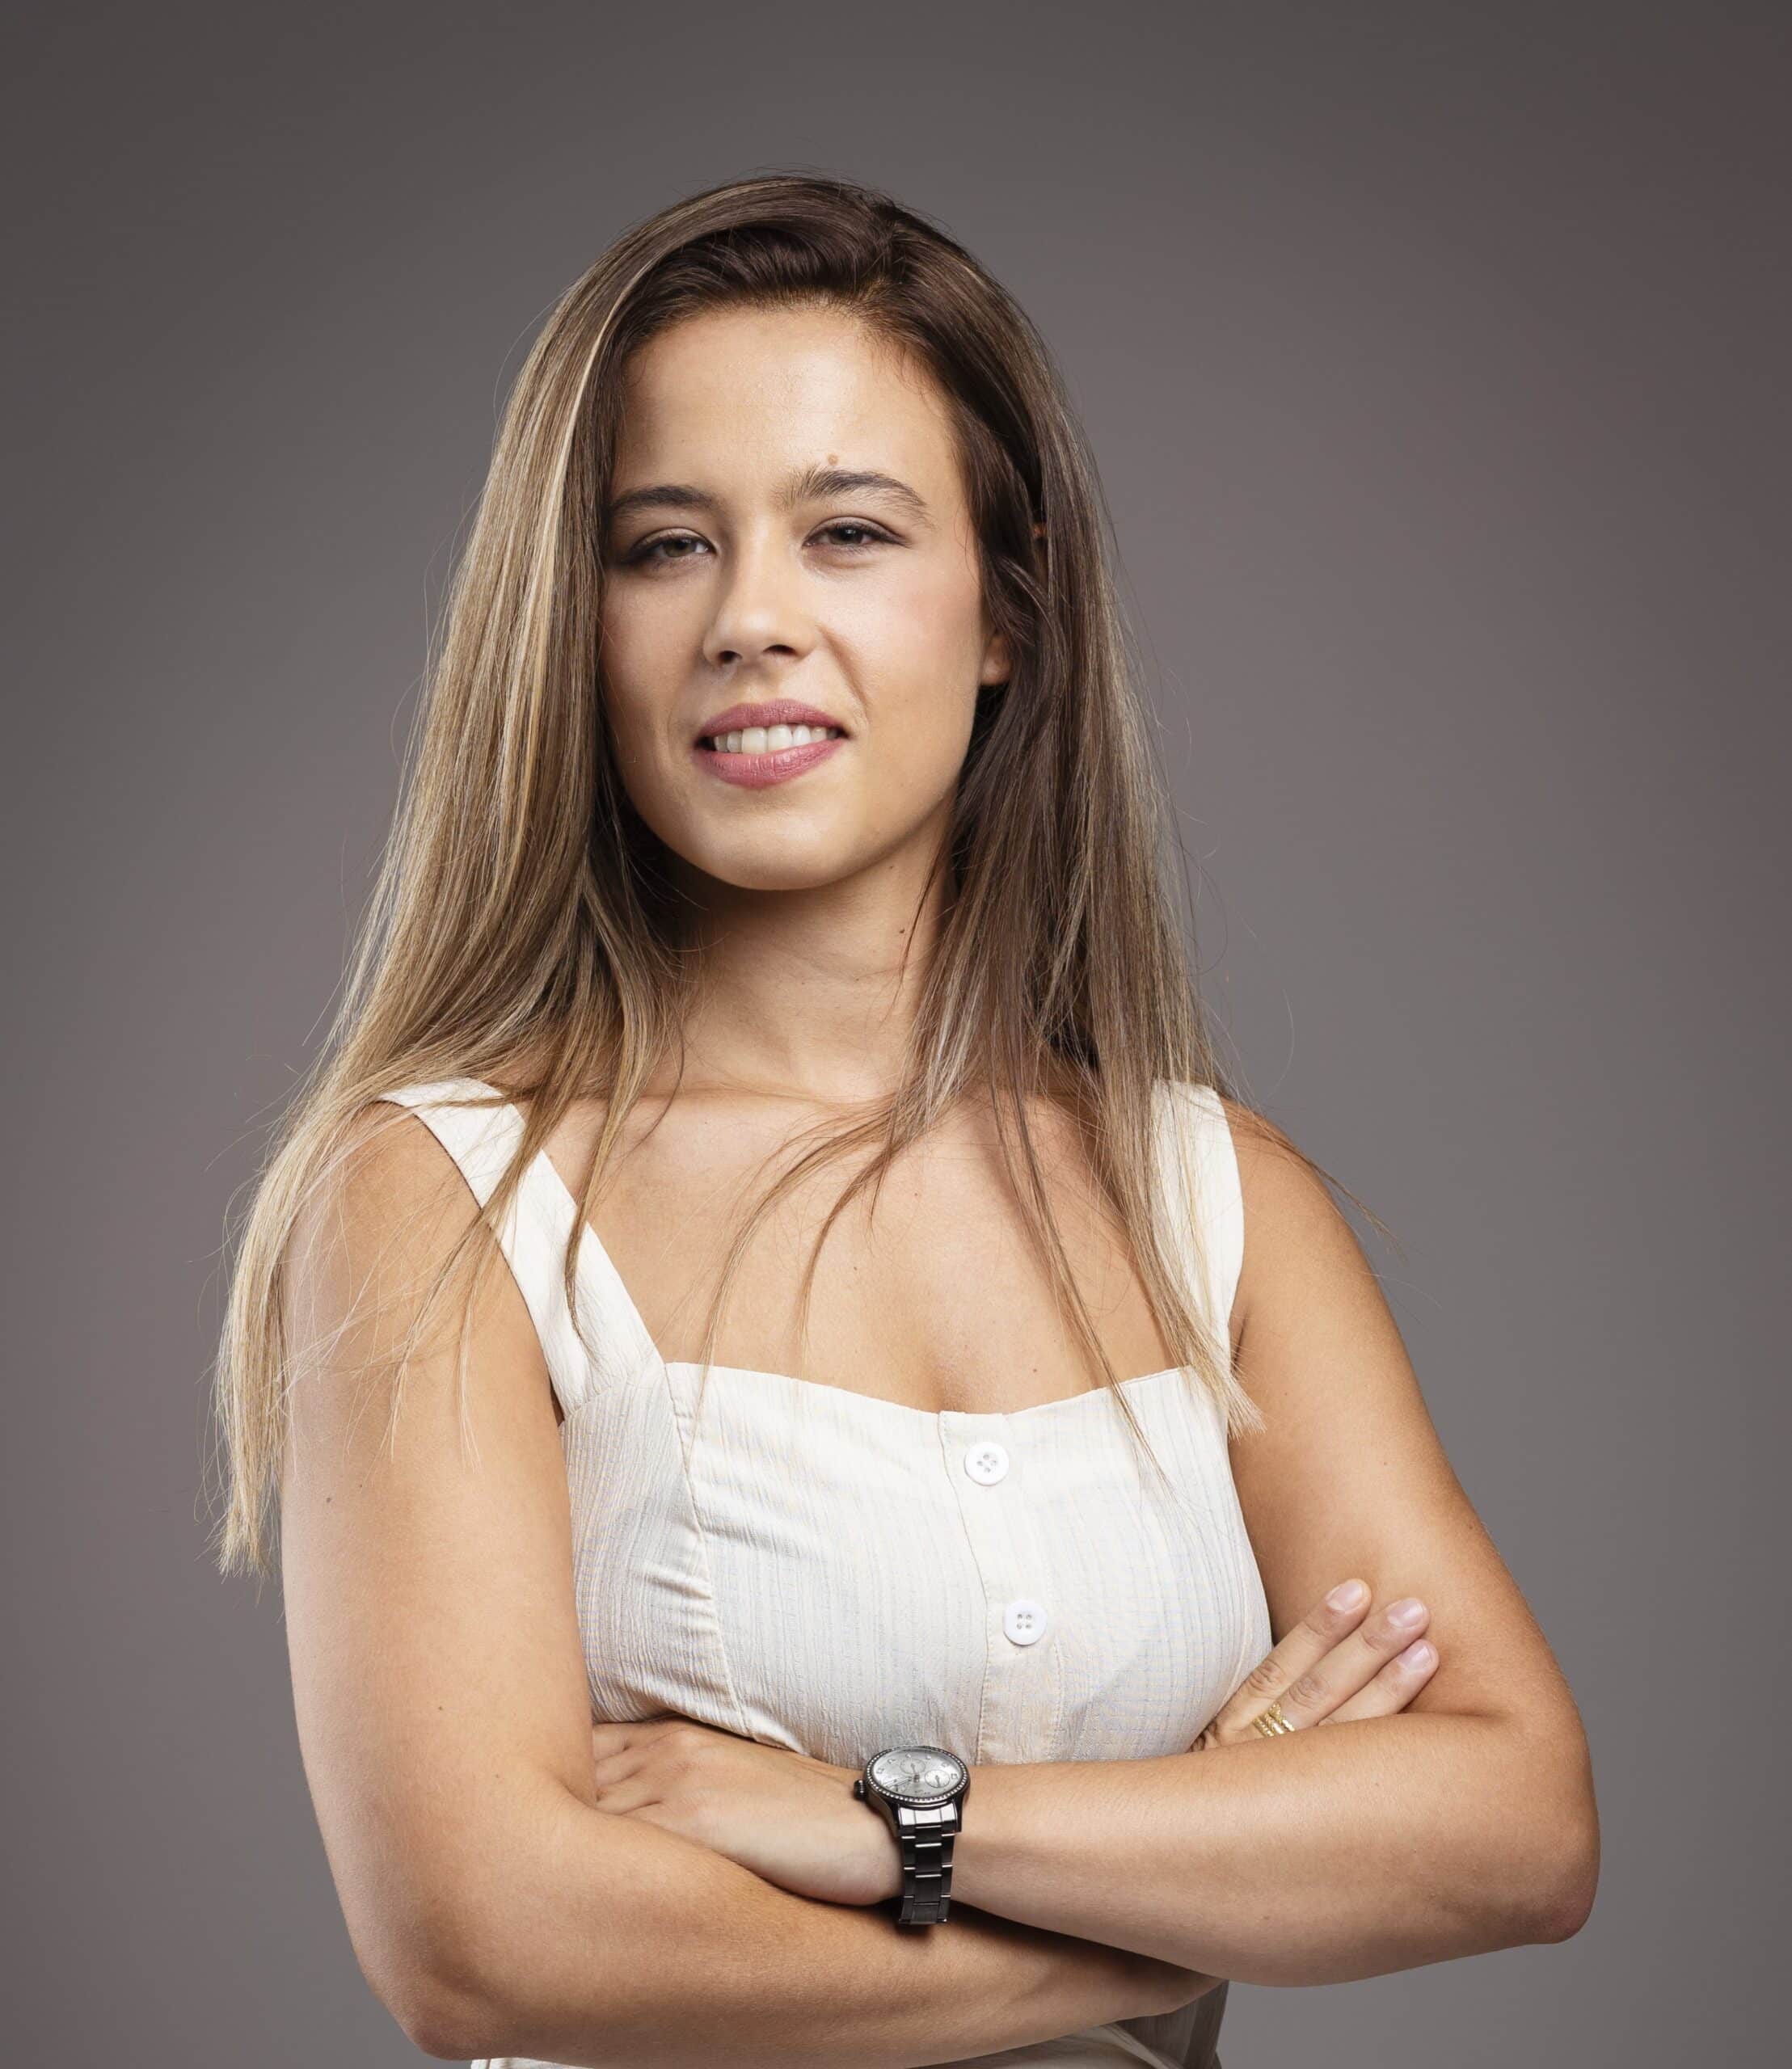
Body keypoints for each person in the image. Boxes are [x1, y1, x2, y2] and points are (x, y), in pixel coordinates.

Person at [208, 172, 1597, 2068]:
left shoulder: (1215, 1199)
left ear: (1008, 611)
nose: (749, 619)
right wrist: (1165, 1910)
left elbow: (1516, 1825)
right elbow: (484, 1940)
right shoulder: (442, 1192)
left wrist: (893, 1820)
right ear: (573, 623)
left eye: (847, 531)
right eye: (663, 544)